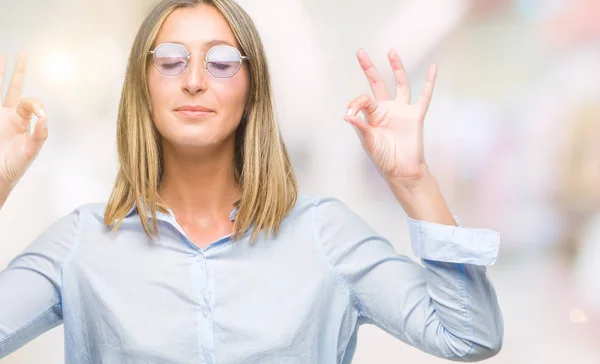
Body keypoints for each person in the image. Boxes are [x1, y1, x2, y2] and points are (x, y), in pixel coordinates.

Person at [0, 0, 503, 363]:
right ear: (142, 87)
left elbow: (469, 335)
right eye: (171, 60)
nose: (194, 79)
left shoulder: (325, 234)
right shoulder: (81, 243)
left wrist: (413, 181)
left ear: (251, 89)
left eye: (220, 62)